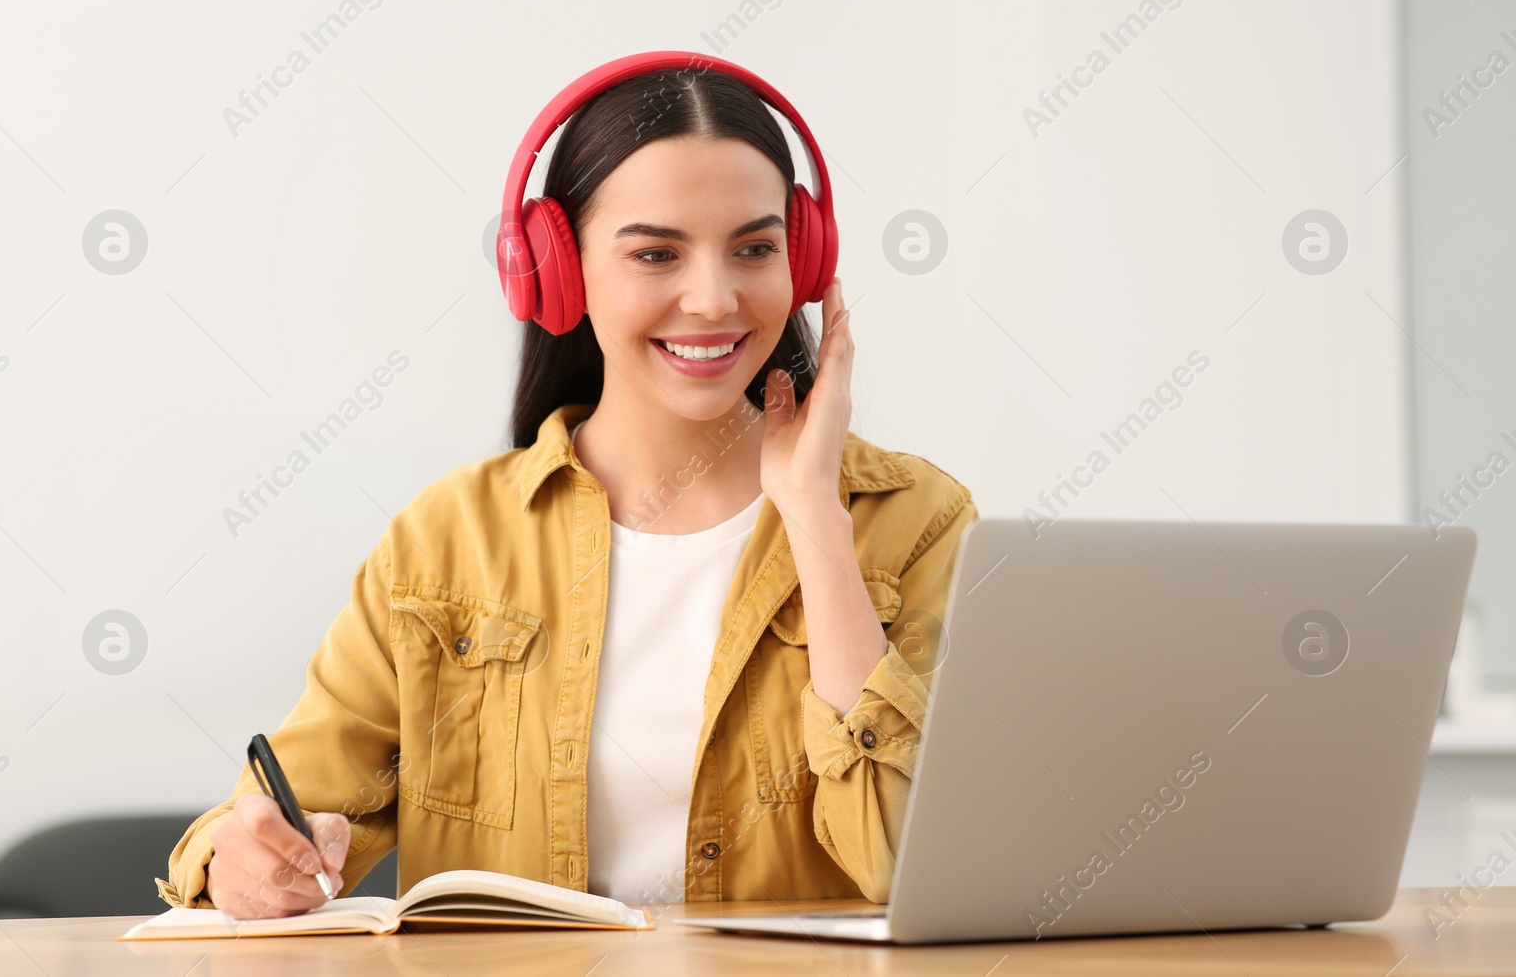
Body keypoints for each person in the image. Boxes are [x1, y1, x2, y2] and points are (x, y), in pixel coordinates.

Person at [159, 54, 977, 919]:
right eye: (656, 253)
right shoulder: (444, 543)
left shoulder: (917, 524)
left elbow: (905, 866)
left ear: (804, 260)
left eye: (755, 248)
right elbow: (274, 815)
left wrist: (815, 515)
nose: (713, 297)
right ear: (555, 271)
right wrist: (239, 861)